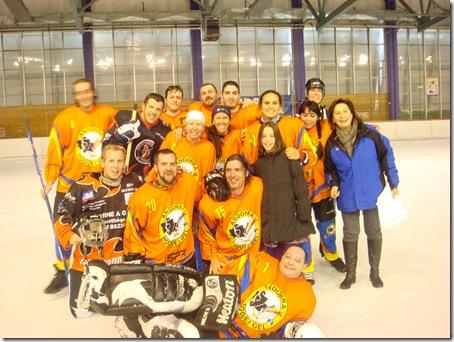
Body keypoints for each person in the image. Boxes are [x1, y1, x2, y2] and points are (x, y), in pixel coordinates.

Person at [43, 78, 117, 294]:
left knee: (100, 229)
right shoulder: (65, 119)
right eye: (79, 93)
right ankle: (62, 268)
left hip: (97, 187)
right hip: (69, 186)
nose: (83, 96)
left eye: (87, 91)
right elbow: (54, 151)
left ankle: (100, 268)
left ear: (93, 92)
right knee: (62, 229)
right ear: (75, 96)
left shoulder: (107, 113)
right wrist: (50, 180)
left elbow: (119, 142)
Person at [53, 144, 142, 317]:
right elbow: (61, 213)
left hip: (120, 260)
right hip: (88, 261)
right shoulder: (83, 186)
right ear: (102, 163)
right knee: (81, 312)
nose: (115, 166)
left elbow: (155, 187)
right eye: (111, 161)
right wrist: (69, 235)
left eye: (119, 161)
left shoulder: (133, 181)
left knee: (122, 309)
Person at [324, 98, 400, 289]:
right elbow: (330, 169)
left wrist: (393, 182)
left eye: (345, 111)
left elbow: (386, 156)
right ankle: (350, 274)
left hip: (371, 191)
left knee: (373, 231)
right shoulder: (331, 142)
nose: (342, 116)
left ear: (352, 112)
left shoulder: (371, 134)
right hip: (348, 193)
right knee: (350, 233)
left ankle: (375, 272)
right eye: (337, 113)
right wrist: (333, 183)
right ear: (332, 118)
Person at [123, 149, 201, 268]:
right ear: (155, 167)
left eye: (172, 164)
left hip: (186, 260)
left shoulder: (188, 182)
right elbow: (132, 234)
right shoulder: (141, 196)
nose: (169, 168)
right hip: (156, 264)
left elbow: (202, 199)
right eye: (164, 164)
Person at [218, 246, 317, 338]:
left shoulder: (307, 297)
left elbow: (290, 328)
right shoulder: (261, 260)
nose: (290, 262)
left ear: (304, 266)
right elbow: (231, 274)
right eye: (288, 256)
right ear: (282, 257)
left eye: (297, 260)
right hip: (219, 323)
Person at [254, 122, 315, 267]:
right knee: (274, 263)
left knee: (292, 261)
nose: (268, 140)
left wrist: (304, 214)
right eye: (264, 136)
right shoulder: (259, 164)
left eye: (271, 135)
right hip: (272, 219)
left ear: (278, 137)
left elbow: (300, 187)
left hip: (290, 217)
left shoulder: (289, 156)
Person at [297, 100, 346, 273]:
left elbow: (346, 122)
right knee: (302, 229)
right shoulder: (294, 129)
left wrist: (370, 128)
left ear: (318, 116)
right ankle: (305, 261)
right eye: (304, 115)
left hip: (323, 187)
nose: (308, 119)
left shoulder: (326, 127)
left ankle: (331, 254)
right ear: (299, 115)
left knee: (327, 226)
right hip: (300, 190)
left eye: (312, 115)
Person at [198, 154, 263, 275]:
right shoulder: (211, 201)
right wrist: (213, 257)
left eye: (237, 170)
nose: (232, 175)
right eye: (228, 170)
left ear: (246, 173)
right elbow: (205, 232)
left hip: (252, 258)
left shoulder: (257, 186)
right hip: (225, 258)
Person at [103, 93, 171, 177]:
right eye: (151, 107)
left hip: (143, 179)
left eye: (158, 109)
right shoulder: (125, 117)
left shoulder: (164, 129)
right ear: (143, 107)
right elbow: (105, 147)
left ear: (162, 112)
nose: (153, 112)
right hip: (118, 175)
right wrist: (118, 137)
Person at [160, 110, 216, 184]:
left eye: (198, 124)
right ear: (185, 126)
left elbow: (206, 177)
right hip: (171, 189)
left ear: (203, 128)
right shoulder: (173, 137)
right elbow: (159, 163)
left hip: (194, 192)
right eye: (191, 124)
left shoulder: (208, 147)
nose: (195, 128)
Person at [205, 105, 243, 171]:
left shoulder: (238, 135)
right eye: (218, 118)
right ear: (213, 122)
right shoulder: (206, 136)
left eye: (225, 118)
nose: (221, 121)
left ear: (229, 121)